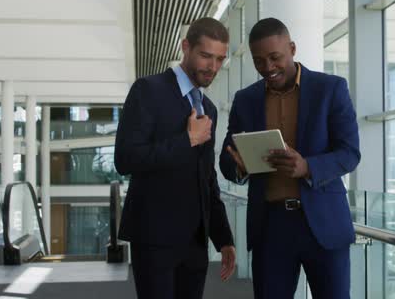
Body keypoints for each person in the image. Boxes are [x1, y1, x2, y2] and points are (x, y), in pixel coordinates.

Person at [219, 18, 360, 299]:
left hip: (323, 224)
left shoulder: (330, 89)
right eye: (259, 61)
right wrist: (239, 167)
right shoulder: (245, 99)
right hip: (270, 227)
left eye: (275, 57)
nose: (268, 68)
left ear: (292, 48)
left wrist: (308, 167)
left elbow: (350, 153)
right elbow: (227, 159)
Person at [114, 17, 236, 299]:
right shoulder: (148, 90)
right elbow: (126, 158)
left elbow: (207, 177)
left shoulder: (209, 108)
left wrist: (223, 238)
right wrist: (188, 140)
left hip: (195, 241)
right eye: (206, 56)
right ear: (186, 47)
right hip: (155, 236)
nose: (213, 67)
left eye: (220, 59)